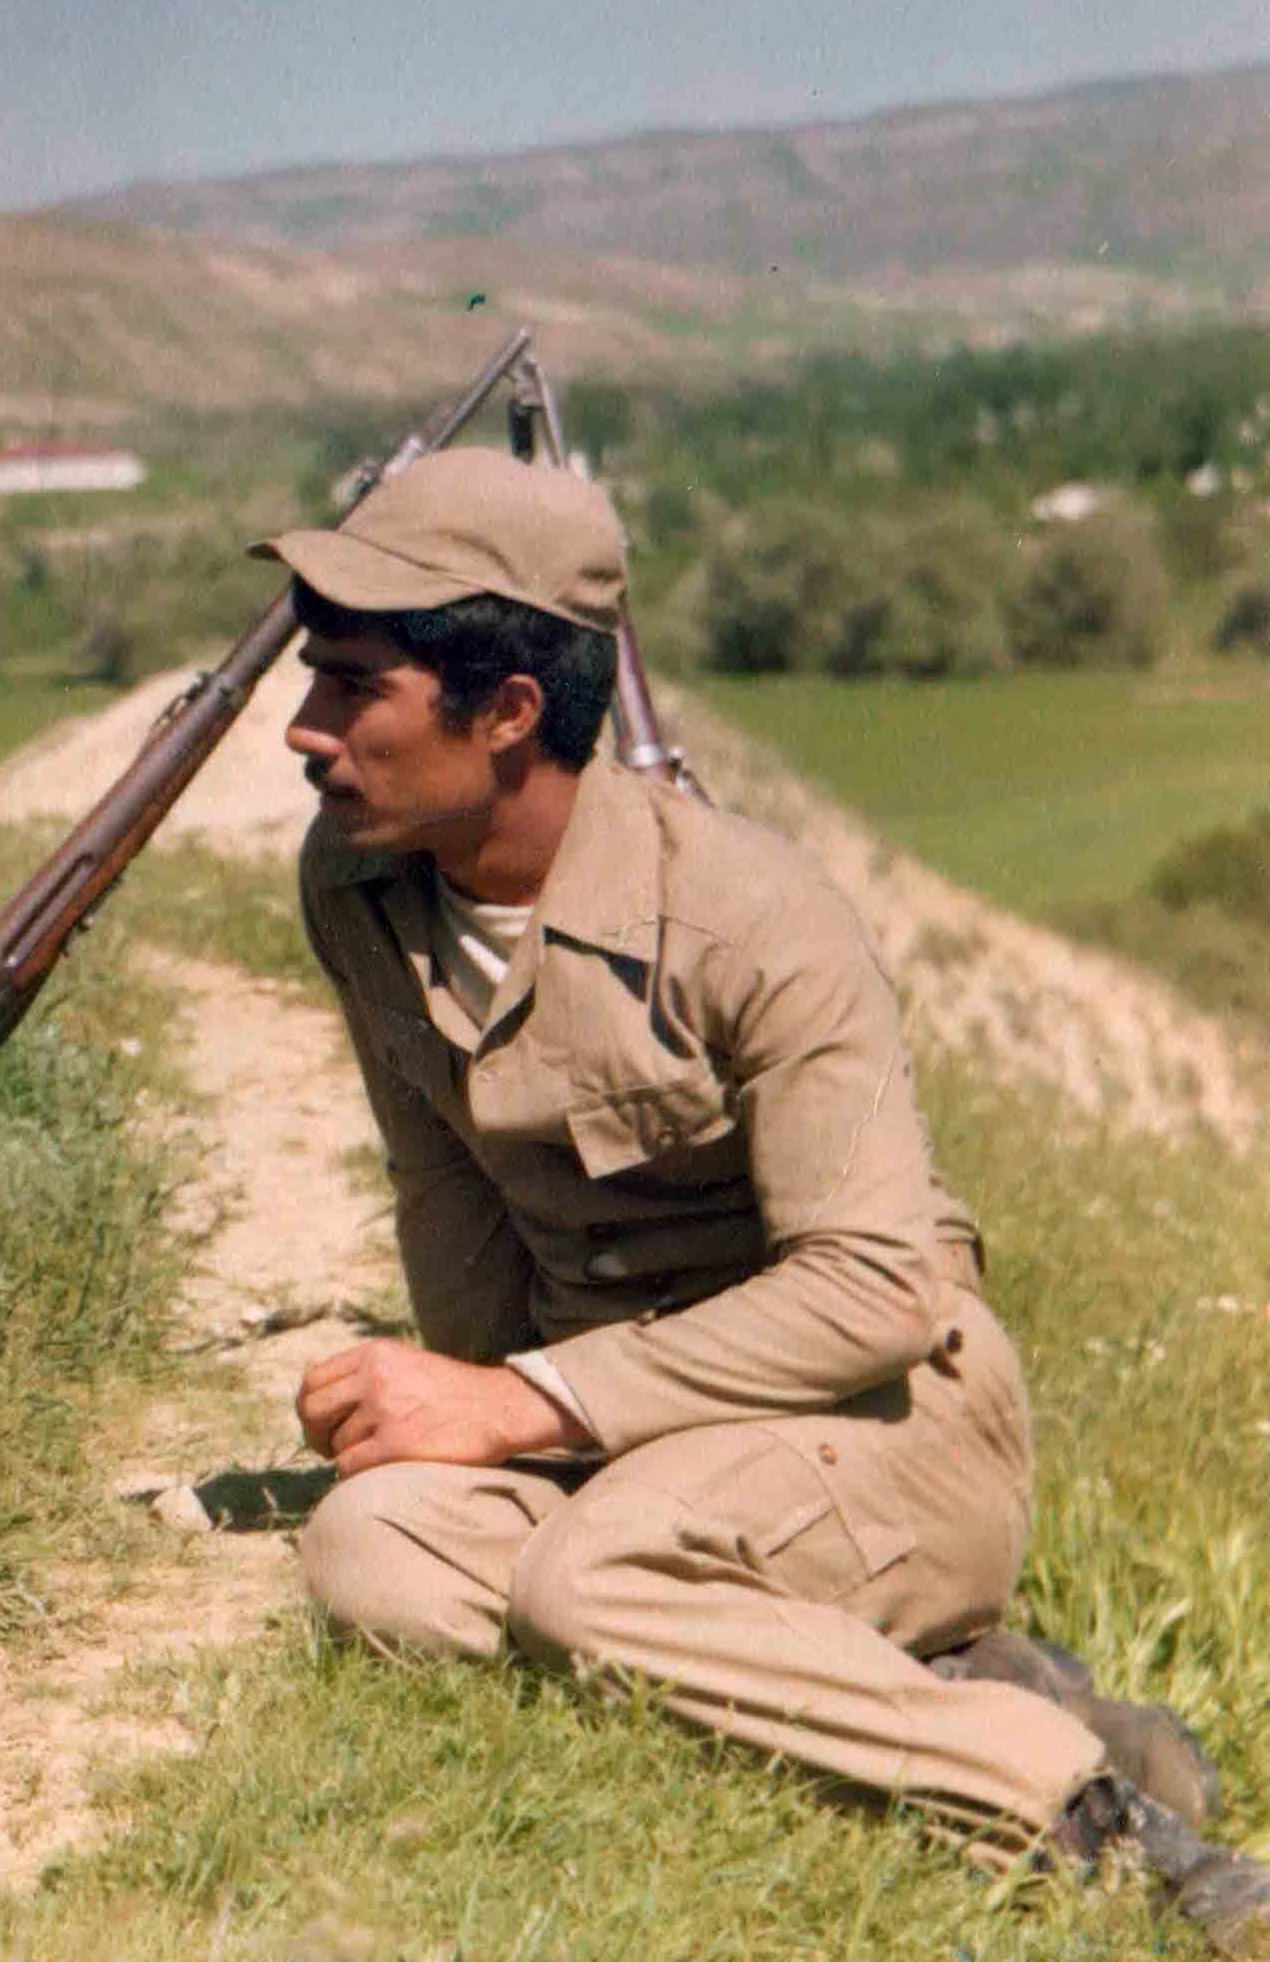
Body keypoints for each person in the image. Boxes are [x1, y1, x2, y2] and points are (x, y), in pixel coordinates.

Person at [256, 447, 1265, 1951]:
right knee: (371, 1548)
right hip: (626, 1441)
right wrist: (457, 1410)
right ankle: (922, 1682)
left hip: (882, 1422)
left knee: (590, 1581)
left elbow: (877, 1291)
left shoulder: (751, 916)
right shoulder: (358, 887)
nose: (306, 730)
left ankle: (1099, 1818)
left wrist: (518, 1406)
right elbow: (445, 1191)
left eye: (354, 688)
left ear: (510, 711)